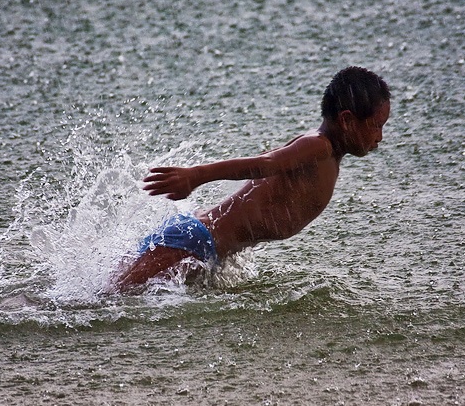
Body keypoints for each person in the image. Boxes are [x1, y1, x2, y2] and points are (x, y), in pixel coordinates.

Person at [115, 66, 390, 291]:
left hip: (203, 246)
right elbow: (264, 164)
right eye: (376, 126)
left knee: (118, 296)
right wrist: (196, 176)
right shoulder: (318, 147)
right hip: (195, 241)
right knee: (108, 300)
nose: (379, 137)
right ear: (347, 120)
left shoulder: (321, 152)